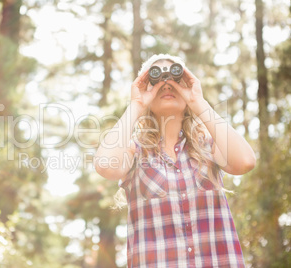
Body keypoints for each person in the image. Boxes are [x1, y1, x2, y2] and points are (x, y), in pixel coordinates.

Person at [94, 53, 256, 267]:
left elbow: (245, 162)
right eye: (156, 78)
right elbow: (104, 164)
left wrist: (198, 101)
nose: (166, 84)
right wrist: (136, 104)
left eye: (174, 77)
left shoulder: (209, 147)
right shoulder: (136, 152)